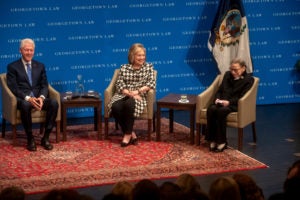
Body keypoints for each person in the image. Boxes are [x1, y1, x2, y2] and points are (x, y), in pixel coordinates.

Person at [6, 38, 59, 151]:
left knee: (54, 103)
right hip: (23, 99)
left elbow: (44, 85)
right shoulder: (12, 67)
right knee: (25, 105)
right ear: (20, 50)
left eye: (31, 50)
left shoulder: (40, 66)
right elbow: (13, 88)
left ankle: (46, 138)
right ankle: (30, 138)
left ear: (34, 51)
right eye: (26, 50)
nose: (29, 52)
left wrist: (41, 98)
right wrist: (28, 98)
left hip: (38, 98)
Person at [107, 43, 156, 147]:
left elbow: (151, 83)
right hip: (123, 94)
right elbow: (119, 84)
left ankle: (127, 135)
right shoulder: (124, 68)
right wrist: (130, 93)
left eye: (143, 55)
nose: (142, 58)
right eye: (139, 55)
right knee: (115, 107)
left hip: (139, 95)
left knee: (130, 104)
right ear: (132, 56)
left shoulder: (149, 67)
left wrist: (137, 92)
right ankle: (132, 133)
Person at [206, 58, 254, 152]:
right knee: (211, 109)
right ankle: (212, 139)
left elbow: (243, 97)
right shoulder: (227, 74)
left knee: (221, 111)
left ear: (243, 68)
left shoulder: (249, 80)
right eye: (231, 69)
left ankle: (222, 142)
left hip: (235, 105)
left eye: (235, 70)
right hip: (222, 102)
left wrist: (229, 102)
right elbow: (220, 90)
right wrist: (217, 98)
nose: (232, 72)